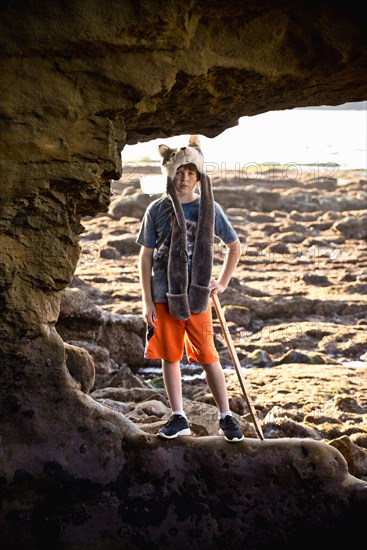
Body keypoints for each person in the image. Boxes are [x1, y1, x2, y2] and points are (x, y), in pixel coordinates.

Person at [136, 135, 244, 442]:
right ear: (170, 174)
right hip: (163, 294)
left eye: (190, 173)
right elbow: (145, 256)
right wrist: (146, 302)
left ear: (199, 177)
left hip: (197, 296)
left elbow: (234, 246)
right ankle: (178, 416)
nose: (184, 178)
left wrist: (221, 282)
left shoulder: (210, 208)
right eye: (179, 173)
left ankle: (225, 416)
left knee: (208, 355)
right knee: (170, 357)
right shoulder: (157, 209)